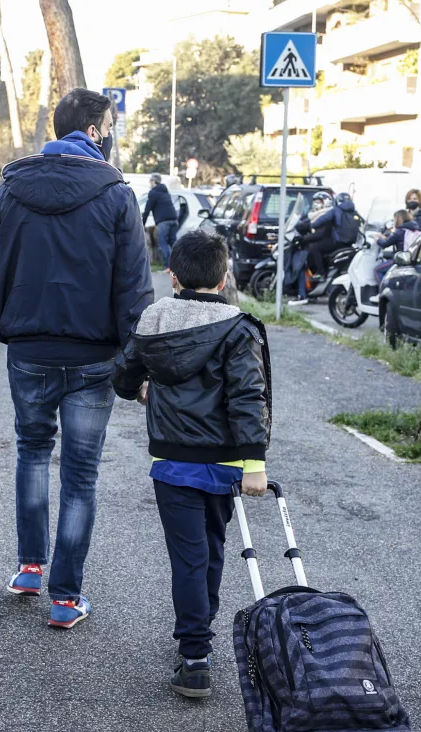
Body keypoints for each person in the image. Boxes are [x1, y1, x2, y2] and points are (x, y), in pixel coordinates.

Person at [0, 88, 153, 629]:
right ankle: (66, 597)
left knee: (31, 451)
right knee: (81, 473)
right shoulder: (117, 194)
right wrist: (137, 367)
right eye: (111, 125)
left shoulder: (11, 189)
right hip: (94, 355)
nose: (113, 134)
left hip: (28, 349)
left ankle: (29, 566)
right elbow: (134, 291)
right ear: (95, 132)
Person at [112, 230, 271, 697]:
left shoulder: (155, 319)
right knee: (213, 548)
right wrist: (254, 463)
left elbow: (123, 376)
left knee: (188, 557)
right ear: (224, 280)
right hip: (224, 461)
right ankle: (201, 634)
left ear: (173, 276)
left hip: (172, 460)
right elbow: (247, 396)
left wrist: (144, 387)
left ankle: (195, 653)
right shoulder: (238, 328)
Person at [143, 173, 179, 266]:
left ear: (153, 181)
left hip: (163, 221)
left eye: (150, 181)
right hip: (174, 219)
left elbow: (147, 209)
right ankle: (178, 265)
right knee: (173, 243)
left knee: (162, 242)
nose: (150, 183)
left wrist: (142, 223)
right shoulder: (165, 191)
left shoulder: (153, 193)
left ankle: (168, 265)